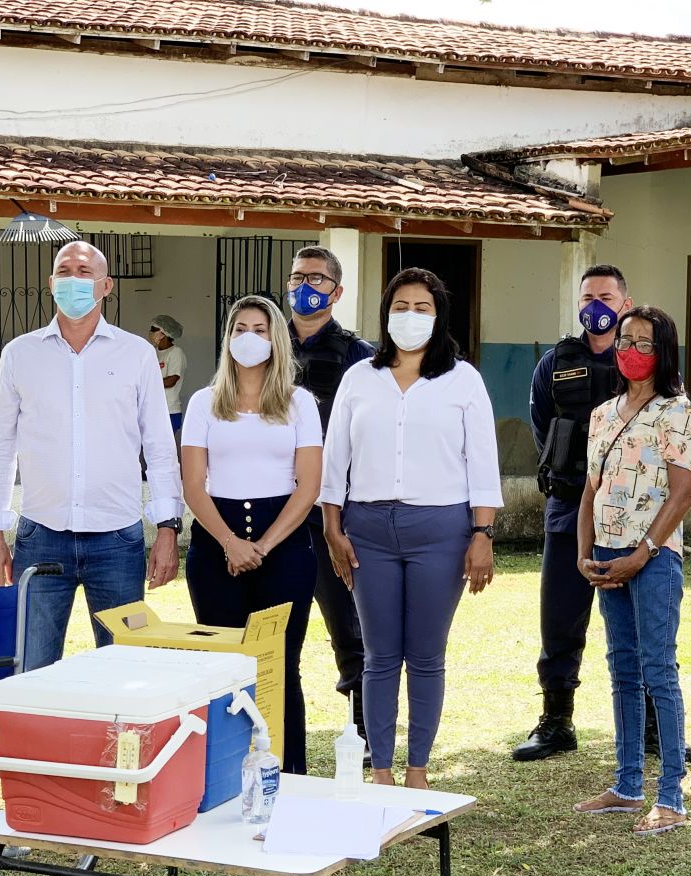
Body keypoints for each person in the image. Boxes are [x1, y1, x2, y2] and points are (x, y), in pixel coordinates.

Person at [320, 267, 501, 789]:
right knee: (378, 656)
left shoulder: (463, 380)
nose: (411, 316)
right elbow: (336, 462)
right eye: (401, 306)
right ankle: (380, 770)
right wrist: (333, 527)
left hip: (440, 531)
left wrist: (481, 535)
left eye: (423, 307)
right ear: (385, 313)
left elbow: (482, 463)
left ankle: (417, 769)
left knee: (424, 655)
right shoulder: (359, 378)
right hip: (368, 529)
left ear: (439, 316)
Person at [0, 240, 181, 670]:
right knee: (31, 669)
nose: (74, 280)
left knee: (124, 671)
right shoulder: (20, 355)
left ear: (106, 285)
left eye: (84, 272)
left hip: (118, 539)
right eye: (65, 271)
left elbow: (160, 449)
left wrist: (167, 529)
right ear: (51, 284)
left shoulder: (137, 355)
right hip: (41, 536)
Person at [571, 306, 691, 835]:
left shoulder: (680, 412)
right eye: (626, 340)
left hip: (652, 560)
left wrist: (642, 552)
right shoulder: (602, 414)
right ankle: (627, 786)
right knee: (621, 669)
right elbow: (590, 491)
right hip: (606, 555)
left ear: (664, 351)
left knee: (658, 671)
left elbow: (683, 494)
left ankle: (670, 796)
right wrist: (586, 554)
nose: (632, 350)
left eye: (645, 343)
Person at [181, 296, 322, 774]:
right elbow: (194, 486)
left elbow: (308, 487)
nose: (249, 337)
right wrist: (230, 543)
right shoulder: (204, 402)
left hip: (283, 547)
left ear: (276, 338)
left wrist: (262, 545)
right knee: (223, 668)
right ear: (227, 339)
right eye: (240, 328)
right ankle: (223, 775)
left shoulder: (299, 403)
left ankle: (288, 774)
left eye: (260, 329)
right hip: (216, 543)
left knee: (279, 665)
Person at [514, 264, 631, 762]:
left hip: (632, 511)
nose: (596, 305)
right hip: (567, 506)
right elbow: (543, 427)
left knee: (637, 623)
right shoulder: (555, 362)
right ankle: (557, 721)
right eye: (588, 296)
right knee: (560, 618)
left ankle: (646, 724)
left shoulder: (642, 356)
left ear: (624, 303)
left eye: (606, 296)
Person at [286, 246, 375, 743]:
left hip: (330, 511)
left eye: (317, 279)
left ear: (337, 292)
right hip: (273, 507)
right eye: (298, 277)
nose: (305, 286)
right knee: (271, 625)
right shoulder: (265, 345)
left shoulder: (360, 356)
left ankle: (363, 729)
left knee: (349, 627)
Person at [148, 315, 186, 437]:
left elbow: (171, 380)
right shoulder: (152, 352)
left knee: (164, 451)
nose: (150, 332)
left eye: (154, 330)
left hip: (169, 410)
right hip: (152, 409)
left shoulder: (175, 353)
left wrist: (148, 382)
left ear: (163, 333)